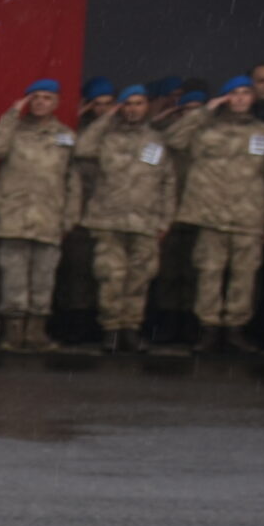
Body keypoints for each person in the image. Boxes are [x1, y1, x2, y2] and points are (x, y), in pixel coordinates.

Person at [174, 75, 264, 352]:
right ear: (224, 98)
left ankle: (235, 330)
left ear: (253, 97)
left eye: (246, 92)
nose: (240, 98)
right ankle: (209, 329)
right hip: (211, 215)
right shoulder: (206, 128)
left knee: (244, 276)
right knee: (209, 273)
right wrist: (205, 110)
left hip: (249, 216)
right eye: (234, 93)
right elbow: (173, 139)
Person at [74, 85, 174, 352]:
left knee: (139, 278)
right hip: (109, 219)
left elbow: (168, 182)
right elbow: (81, 147)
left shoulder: (157, 140)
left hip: (145, 221)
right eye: (128, 104)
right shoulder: (107, 137)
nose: (133, 109)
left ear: (147, 106)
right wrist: (107, 116)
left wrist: (164, 220)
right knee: (111, 277)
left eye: (138, 103)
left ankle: (131, 328)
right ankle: (111, 329)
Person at [0, 80, 78, 351]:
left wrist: (69, 217)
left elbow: (73, 180)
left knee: (43, 280)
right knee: (13, 280)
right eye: (35, 97)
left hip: (48, 218)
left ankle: (36, 332)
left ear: (56, 102)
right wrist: (12, 114)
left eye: (47, 97)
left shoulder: (65, 136)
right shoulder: (13, 129)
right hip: (14, 218)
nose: (40, 102)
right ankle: (13, 333)